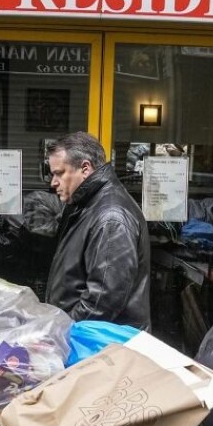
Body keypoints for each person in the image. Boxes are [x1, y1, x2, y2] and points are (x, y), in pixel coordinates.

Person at [44, 132, 151, 329]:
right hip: (89, 341)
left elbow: (102, 302)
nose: (53, 182)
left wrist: (61, 332)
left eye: (59, 173)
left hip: (102, 348)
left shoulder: (111, 218)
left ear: (85, 168)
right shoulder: (84, 205)